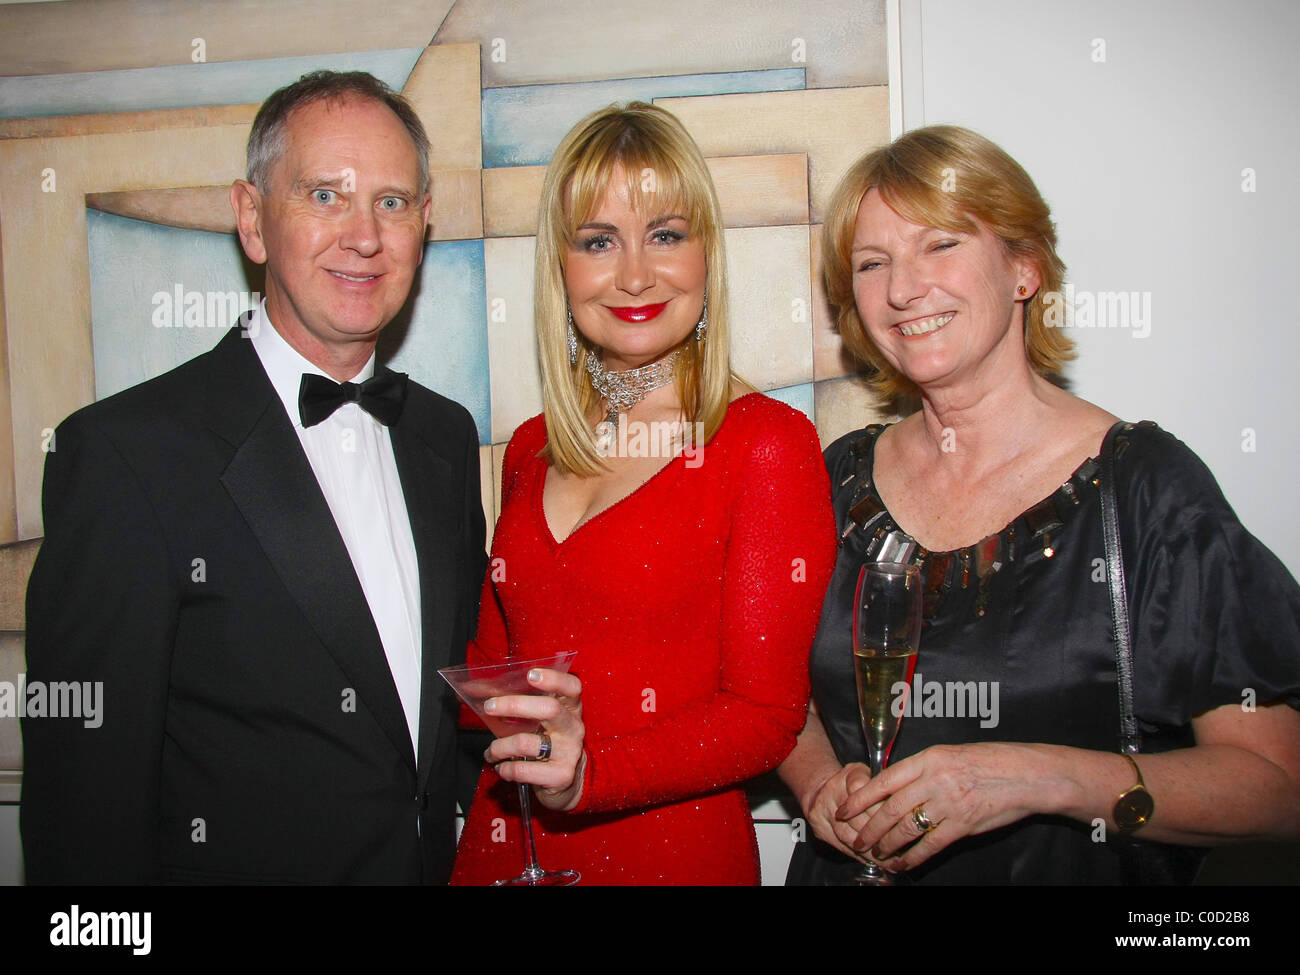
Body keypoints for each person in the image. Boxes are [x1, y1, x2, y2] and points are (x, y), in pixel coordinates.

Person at [781, 125, 1300, 884]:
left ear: (1024, 268)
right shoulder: (835, 483)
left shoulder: (1144, 487)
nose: (901, 288)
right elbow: (774, 696)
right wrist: (820, 780)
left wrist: (1036, 777)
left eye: (941, 245)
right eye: (873, 263)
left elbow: (1278, 786)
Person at [21, 71, 486, 884]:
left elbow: (443, 729)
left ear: (423, 223)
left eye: (392, 201)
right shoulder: (126, 456)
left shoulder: (443, 439)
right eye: (323, 195)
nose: (364, 236)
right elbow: (81, 815)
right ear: (251, 219)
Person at [449, 102, 837, 885]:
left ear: (705, 256)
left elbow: (765, 718)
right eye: (599, 241)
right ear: (563, 265)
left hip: (668, 856)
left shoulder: (764, 443)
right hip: (502, 848)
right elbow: (492, 668)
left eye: (665, 234)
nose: (634, 274)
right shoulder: (531, 445)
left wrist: (590, 774)